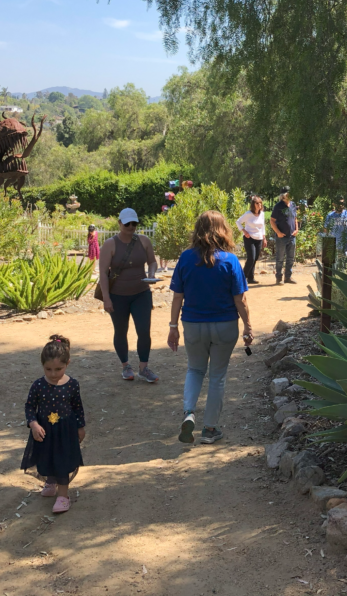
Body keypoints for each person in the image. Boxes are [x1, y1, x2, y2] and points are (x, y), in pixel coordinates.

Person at [167, 211, 254, 444]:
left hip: (193, 325)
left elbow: (178, 297)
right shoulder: (230, 260)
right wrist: (248, 326)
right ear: (223, 230)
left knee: (194, 370)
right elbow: (240, 299)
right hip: (224, 325)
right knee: (217, 376)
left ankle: (189, 413)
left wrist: (173, 326)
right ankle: (210, 429)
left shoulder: (185, 258)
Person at [21, 334, 86, 514]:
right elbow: (29, 406)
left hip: (65, 431)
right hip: (45, 430)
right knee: (48, 457)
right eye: (48, 369)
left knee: (63, 461)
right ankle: (50, 481)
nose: (53, 373)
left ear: (68, 364)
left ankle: (63, 496)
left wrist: (80, 427)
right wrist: (33, 424)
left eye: (58, 369)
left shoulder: (72, 385)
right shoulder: (38, 386)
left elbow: (77, 407)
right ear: (42, 365)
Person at [99, 208, 159, 382]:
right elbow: (103, 272)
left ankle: (144, 367)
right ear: (119, 223)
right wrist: (106, 298)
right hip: (117, 295)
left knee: (144, 330)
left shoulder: (144, 241)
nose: (131, 227)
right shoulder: (110, 244)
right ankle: (126, 366)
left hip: (141, 293)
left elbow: (152, 262)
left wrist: (152, 274)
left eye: (134, 223)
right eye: (127, 224)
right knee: (120, 331)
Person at [269, 187, 298, 285]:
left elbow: (295, 219)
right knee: (280, 258)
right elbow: (272, 221)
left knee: (290, 258)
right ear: (283, 195)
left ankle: (288, 277)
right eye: (287, 194)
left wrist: (296, 229)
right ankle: (279, 278)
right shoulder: (278, 206)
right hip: (281, 237)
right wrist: (278, 232)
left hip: (292, 236)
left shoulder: (293, 205)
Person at [236, 196, 266, 283]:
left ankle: (251, 278)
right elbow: (238, 222)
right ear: (253, 204)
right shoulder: (248, 214)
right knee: (251, 258)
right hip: (249, 238)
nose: (259, 205)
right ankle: (242, 278)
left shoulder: (262, 214)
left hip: (259, 238)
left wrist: (264, 238)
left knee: (255, 258)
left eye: (260, 203)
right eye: (257, 203)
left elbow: (263, 226)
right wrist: (244, 231)